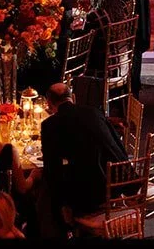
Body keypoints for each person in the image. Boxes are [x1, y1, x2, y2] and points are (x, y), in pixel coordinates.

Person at [40, 82, 129, 224]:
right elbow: (117, 145)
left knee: (44, 190)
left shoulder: (50, 125)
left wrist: (62, 204)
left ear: (49, 104)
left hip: (88, 199)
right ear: (72, 98)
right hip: (116, 184)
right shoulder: (94, 112)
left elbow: (52, 168)